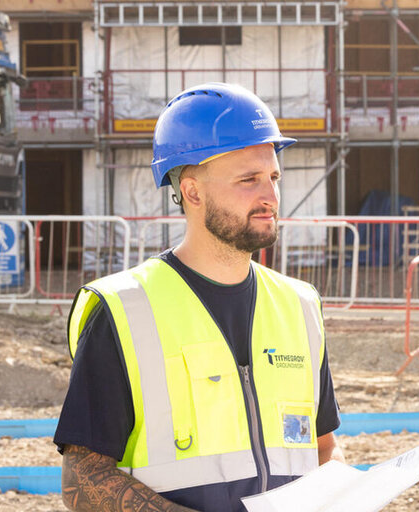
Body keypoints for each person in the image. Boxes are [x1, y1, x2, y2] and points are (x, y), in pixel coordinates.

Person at [54, 82, 344, 512]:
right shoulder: (124, 309)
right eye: (249, 179)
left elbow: (323, 449)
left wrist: (343, 490)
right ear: (192, 192)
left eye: (273, 177)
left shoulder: (299, 305)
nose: (270, 197)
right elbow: (84, 478)